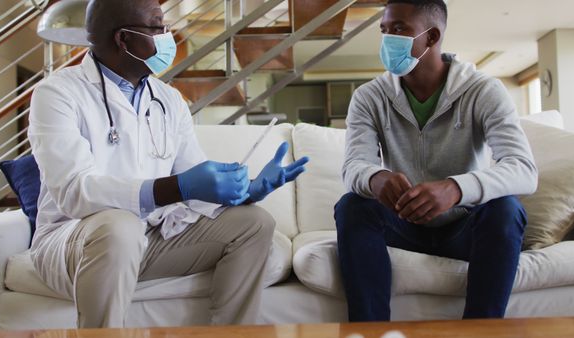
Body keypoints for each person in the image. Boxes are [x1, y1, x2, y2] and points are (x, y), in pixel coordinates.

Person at [28, 0, 308, 328]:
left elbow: (195, 179)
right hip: (73, 241)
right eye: (158, 26)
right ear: (124, 39)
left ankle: (231, 336)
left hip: (150, 234)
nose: (167, 36)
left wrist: (247, 191)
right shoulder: (57, 93)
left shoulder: (168, 98)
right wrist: (177, 186)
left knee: (254, 223)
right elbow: (75, 192)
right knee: (120, 227)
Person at [335, 0, 538, 322]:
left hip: (464, 229)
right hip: (402, 226)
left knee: (506, 209)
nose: (388, 39)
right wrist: (376, 178)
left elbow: (523, 169)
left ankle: (482, 331)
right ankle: (369, 330)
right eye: (384, 30)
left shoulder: (483, 90)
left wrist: (456, 189)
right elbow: (353, 166)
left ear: (431, 37)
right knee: (352, 206)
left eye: (399, 29)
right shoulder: (369, 97)